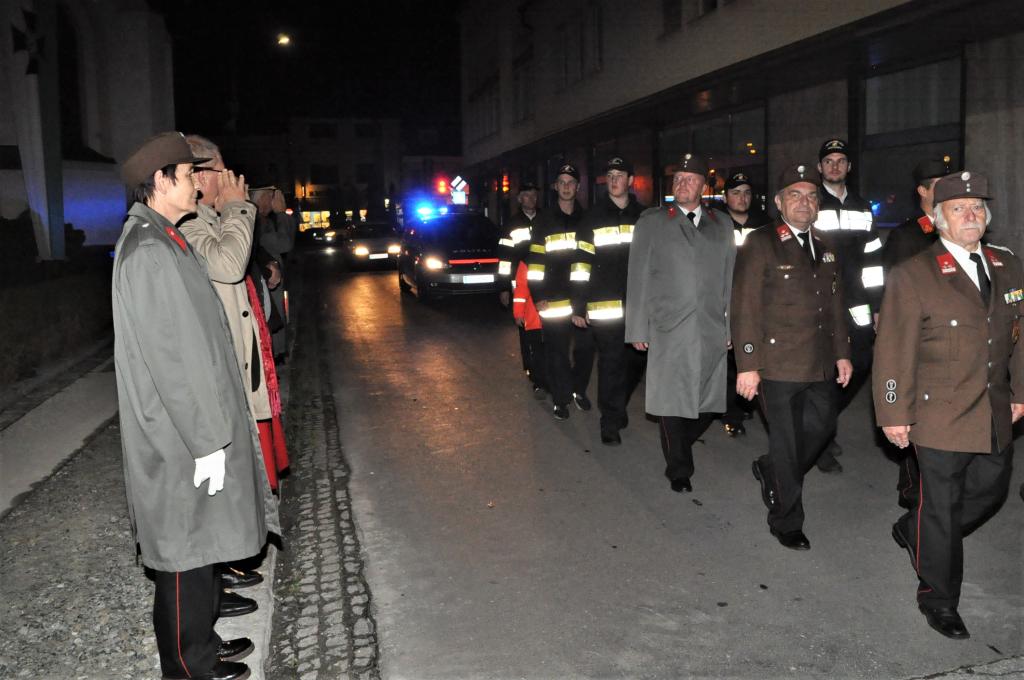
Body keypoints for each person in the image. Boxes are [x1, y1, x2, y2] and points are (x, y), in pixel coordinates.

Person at [113, 132, 279, 680]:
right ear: (161, 181)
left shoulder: (165, 238)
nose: (196, 185)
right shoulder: (149, 251)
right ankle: (188, 667)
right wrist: (208, 442)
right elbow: (172, 361)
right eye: (187, 175)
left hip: (193, 430)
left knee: (202, 541)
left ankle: (203, 643)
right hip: (180, 436)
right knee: (184, 551)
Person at [874, 170, 1023, 640]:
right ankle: (938, 598)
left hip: (993, 407)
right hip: (936, 411)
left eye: (978, 207)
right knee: (941, 506)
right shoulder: (914, 274)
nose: (971, 215)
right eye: (959, 208)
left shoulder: (1007, 265)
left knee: (990, 490)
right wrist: (893, 413)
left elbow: (1020, 336)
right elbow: (893, 350)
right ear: (939, 219)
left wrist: (1020, 392)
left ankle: (914, 529)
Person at [731, 163, 852, 550]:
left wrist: (843, 353)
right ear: (779, 202)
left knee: (822, 427)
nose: (805, 202)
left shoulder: (825, 244)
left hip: (819, 362)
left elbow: (835, 305)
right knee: (786, 443)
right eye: (795, 196)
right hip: (776, 364)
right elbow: (745, 307)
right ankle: (786, 520)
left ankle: (772, 469)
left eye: (812, 196)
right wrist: (748, 365)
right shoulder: (760, 242)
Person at [625, 153, 735, 492]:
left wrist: (730, 326)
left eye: (690, 179)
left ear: (703, 186)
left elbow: (729, 279)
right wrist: (637, 327)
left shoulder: (722, 224)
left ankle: (680, 443)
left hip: (711, 326)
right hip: (669, 327)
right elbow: (638, 276)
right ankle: (679, 468)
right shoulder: (653, 222)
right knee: (671, 398)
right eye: (677, 179)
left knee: (709, 400)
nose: (682, 183)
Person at [878, 158, 951, 510]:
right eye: (938, 184)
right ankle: (911, 487)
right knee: (914, 411)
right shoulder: (908, 235)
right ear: (922, 190)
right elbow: (893, 285)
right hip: (918, 335)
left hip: (949, 336)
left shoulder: (952, 228)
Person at [813, 138, 884, 474]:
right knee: (827, 370)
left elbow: (873, 259)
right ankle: (820, 441)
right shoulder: (811, 201)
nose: (835, 166)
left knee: (862, 362)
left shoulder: (862, 207)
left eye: (841, 160)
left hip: (856, 300)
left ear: (849, 167)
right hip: (821, 299)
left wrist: (878, 304)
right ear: (820, 167)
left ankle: (822, 421)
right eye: (829, 161)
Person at [574, 157, 646, 445]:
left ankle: (618, 405)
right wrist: (579, 305)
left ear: (631, 181)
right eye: (610, 175)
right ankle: (610, 421)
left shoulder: (644, 217)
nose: (614, 180)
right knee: (611, 362)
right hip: (605, 307)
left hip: (639, 306)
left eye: (620, 175)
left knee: (635, 364)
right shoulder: (592, 217)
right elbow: (581, 264)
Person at [527, 163, 594, 419]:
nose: (566, 187)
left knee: (585, 350)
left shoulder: (588, 219)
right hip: (552, 298)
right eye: (562, 182)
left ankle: (578, 389)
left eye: (571, 182)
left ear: (578, 187)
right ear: (556, 186)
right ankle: (561, 398)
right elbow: (535, 261)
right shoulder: (543, 221)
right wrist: (538, 296)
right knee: (557, 352)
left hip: (582, 298)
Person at [717, 172, 771, 437]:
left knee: (753, 355)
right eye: (736, 193)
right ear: (726, 197)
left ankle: (748, 403)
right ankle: (732, 414)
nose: (742, 198)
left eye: (747, 193)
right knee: (729, 359)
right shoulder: (714, 223)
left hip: (758, 299)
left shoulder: (765, 224)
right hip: (725, 297)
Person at [499, 181, 545, 396]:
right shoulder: (511, 225)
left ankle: (543, 367)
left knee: (543, 327)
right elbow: (505, 259)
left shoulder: (546, 219)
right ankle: (530, 367)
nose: (531, 199)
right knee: (525, 328)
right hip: (520, 284)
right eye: (527, 195)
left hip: (542, 280)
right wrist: (504, 287)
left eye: (534, 195)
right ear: (519, 199)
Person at [881, 159, 950, 273]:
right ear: (923, 191)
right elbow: (895, 278)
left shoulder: (955, 226)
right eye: (941, 187)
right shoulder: (905, 235)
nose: (947, 192)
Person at [253, 187, 295, 361]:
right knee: (272, 314)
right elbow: (284, 244)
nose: (273, 201)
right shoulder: (258, 222)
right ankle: (276, 353)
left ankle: (277, 351)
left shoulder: (264, 221)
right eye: (270, 196)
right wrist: (281, 214)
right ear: (260, 199)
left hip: (270, 278)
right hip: (266, 280)